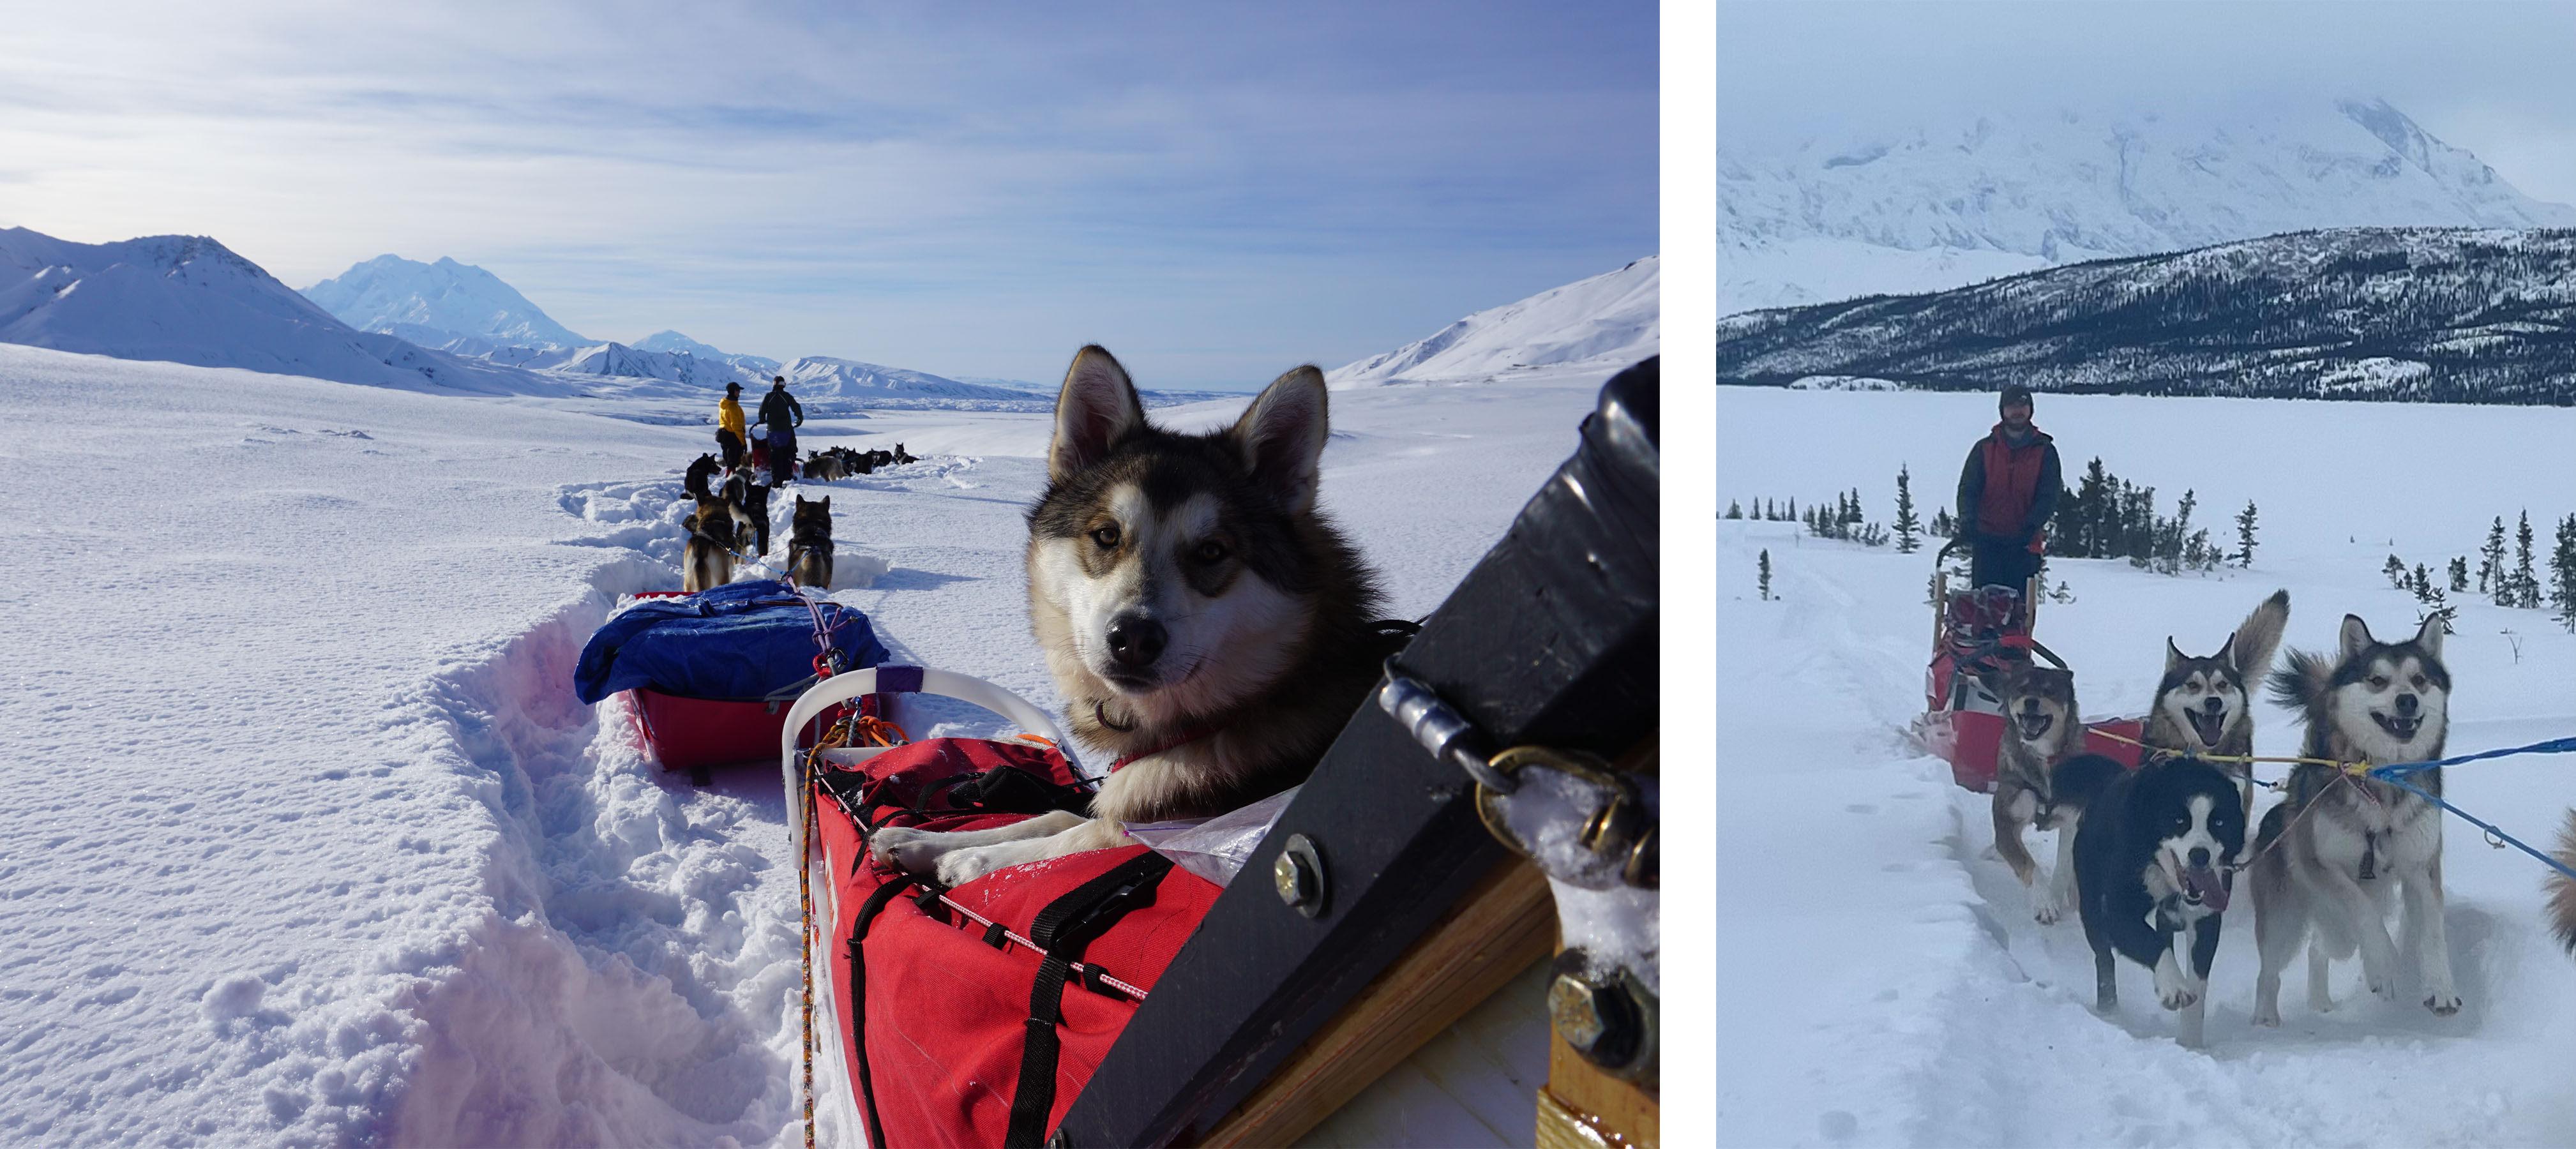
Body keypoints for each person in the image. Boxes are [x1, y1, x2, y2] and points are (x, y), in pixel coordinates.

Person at [1954, 384, 2060, 596]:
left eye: (2022, 405)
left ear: (2030, 409)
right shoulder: (1984, 449)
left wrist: (2031, 525)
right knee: (1984, 606)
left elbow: (2048, 496)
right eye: (2011, 406)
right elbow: (1969, 489)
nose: (2017, 411)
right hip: (1987, 542)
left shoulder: (2044, 450)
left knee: (2020, 608)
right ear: (2003, 410)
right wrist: (1968, 521)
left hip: (2024, 544)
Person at [758, 375, 803, 486]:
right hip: (787, 430)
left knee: (775, 456)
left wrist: (762, 419)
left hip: (773, 431)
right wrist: (799, 419)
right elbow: (796, 407)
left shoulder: (769, 396)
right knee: (789, 453)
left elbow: (762, 410)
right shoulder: (786, 396)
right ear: (783, 385)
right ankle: (788, 478)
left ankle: (777, 481)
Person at [716, 381, 748, 470]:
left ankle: (729, 477)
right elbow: (736, 426)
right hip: (733, 437)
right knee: (733, 463)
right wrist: (743, 443)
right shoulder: (733, 407)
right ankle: (731, 478)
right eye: (738, 390)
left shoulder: (724, 405)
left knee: (729, 461)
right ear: (733, 391)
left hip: (724, 435)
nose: (739, 392)